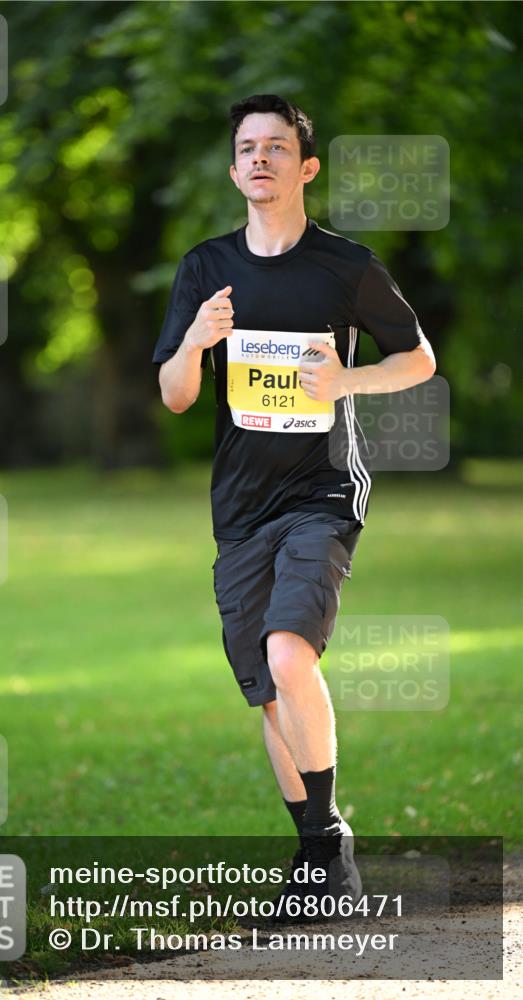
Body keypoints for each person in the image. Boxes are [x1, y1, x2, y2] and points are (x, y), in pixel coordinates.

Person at [151, 94, 436, 922]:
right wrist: (196, 341)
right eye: (247, 147)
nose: (260, 159)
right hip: (238, 507)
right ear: (233, 167)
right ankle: (318, 859)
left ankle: (330, 852)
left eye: (277, 147)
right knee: (269, 694)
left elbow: (416, 360)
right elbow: (173, 397)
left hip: (321, 491)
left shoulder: (343, 266)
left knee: (287, 655)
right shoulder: (204, 268)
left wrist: (345, 380)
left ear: (305, 168)